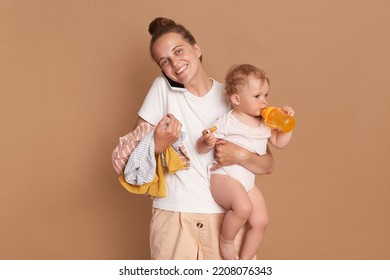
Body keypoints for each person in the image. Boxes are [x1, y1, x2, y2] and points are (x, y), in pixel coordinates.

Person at [113, 18, 274, 260]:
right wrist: (159, 144)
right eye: (164, 61)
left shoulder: (234, 96)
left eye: (178, 51)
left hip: (225, 216)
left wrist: (241, 155)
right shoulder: (162, 90)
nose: (174, 63)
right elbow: (132, 159)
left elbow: (268, 164)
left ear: (196, 49)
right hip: (174, 218)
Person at [196, 64, 295, 260]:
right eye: (257, 96)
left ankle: (244, 262)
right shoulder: (227, 121)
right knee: (243, 208)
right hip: (224, 177)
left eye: (266, 95)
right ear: (236, 99)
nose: (264, 102)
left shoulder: (265, 123)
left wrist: (287, 126)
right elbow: (201, 147)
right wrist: (207, 141)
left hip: (246, 181)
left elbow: (279, 143)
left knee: (261, 220)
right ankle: (226, 241)